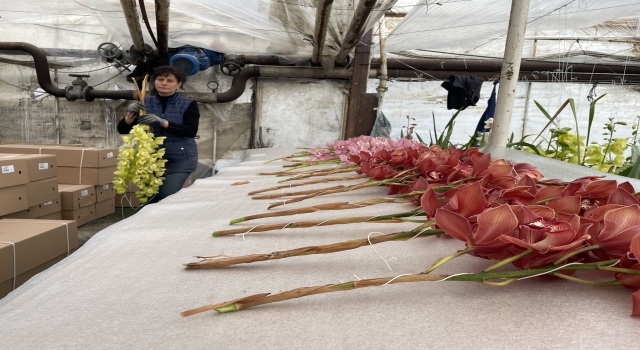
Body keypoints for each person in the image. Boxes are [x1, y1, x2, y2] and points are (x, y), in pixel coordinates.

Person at [117, 66, 200, 202]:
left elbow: (190, 131)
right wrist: (130, 115)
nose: (164, 83)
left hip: (180, 159)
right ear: (154, 82)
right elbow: (123, 129)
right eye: (160, 79)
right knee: (151, 196)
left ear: (178, 84)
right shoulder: (144, 102)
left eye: (170, 80)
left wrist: (162, 122)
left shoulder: (188, 104)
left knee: (167, 195)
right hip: (151, 159)